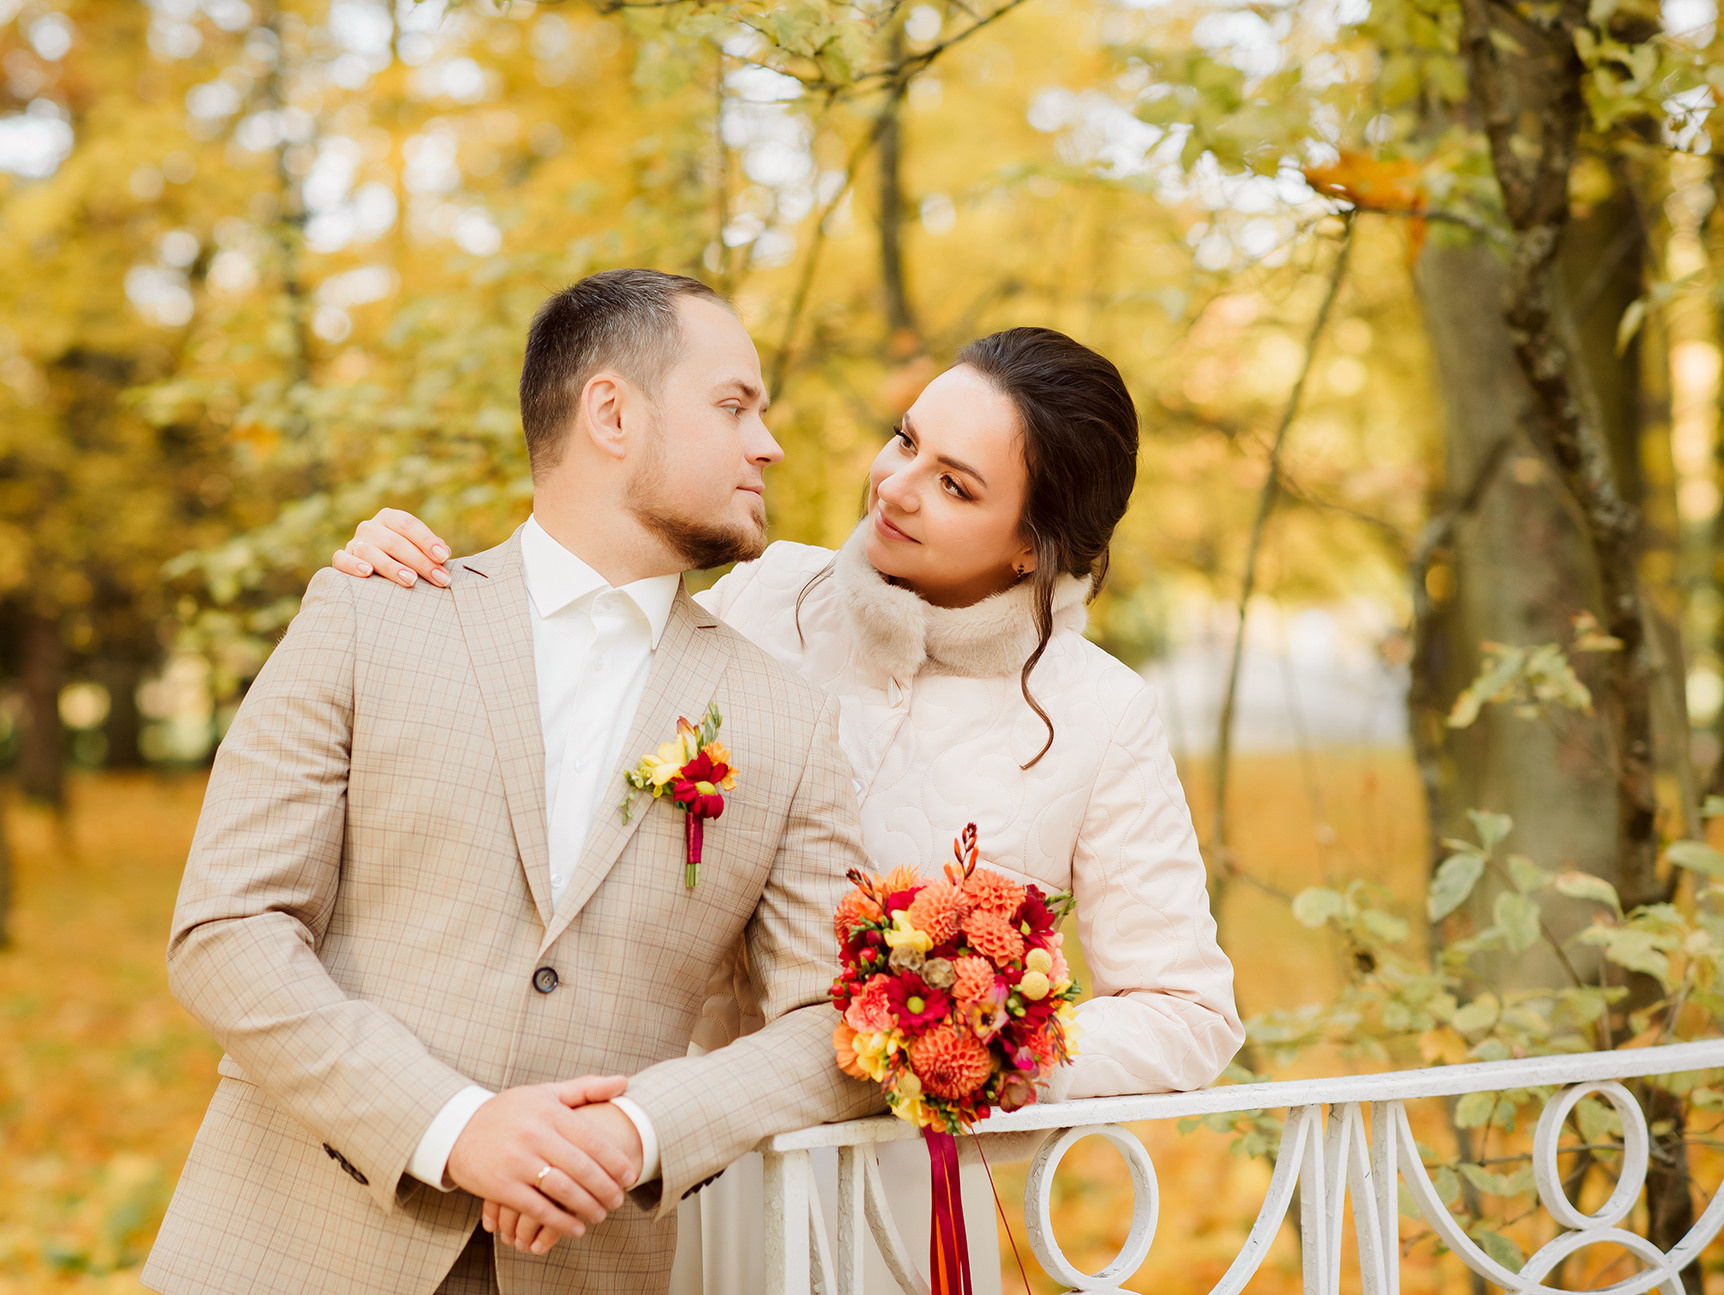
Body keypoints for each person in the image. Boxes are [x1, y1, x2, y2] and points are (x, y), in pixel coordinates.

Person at [332, 324, 1245, 1292]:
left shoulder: (1101, 714)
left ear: (1031, 546)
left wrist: (990, 1040)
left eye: (954, 484)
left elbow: (1186, 1010)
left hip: (898, 1200)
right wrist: (433, 583)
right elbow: (561, 714)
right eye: (904, 440)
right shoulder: (764, 596)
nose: (894, 486)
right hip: (650, 1155)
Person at [141, 268, 884, 1295]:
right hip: (296, 1245)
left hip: (588, 1261)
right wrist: (449, 1124)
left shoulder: (788, 723)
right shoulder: (370, 613)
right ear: (612, 413)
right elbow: (226, 929)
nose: (769, 443)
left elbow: (840, 1026)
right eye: (734, 405)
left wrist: (637, 1131)